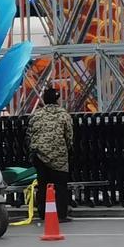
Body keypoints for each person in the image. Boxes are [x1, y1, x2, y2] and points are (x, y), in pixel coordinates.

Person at [28, 86, 74, 222]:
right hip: (58, 156)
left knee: (42, 185)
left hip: (39, 155)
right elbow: (69, 137)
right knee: (60, 186)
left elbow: (29, 134)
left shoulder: (36, 115)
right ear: (57, 99)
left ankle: (43, 213)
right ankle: (60, 215)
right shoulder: (63, 115)